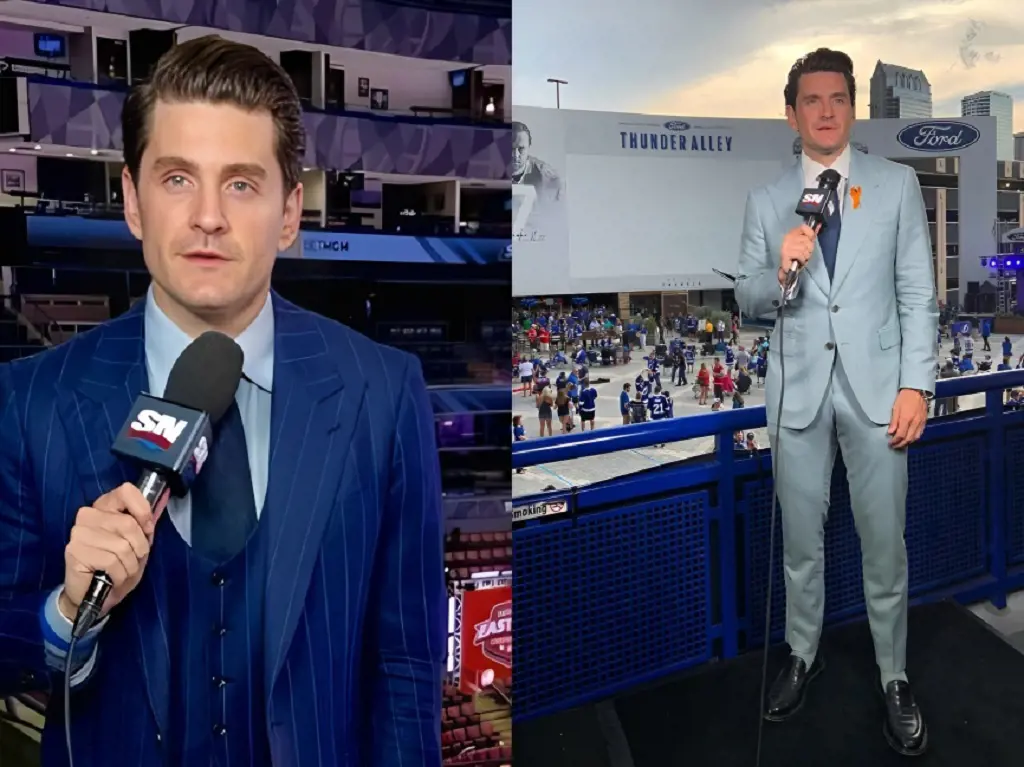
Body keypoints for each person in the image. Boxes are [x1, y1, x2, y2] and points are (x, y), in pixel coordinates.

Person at [0, 36, 444, 767]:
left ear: (291, 210)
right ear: (133, 202)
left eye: (241, 183)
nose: (208, 216)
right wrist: (65, 613)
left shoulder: (383, 393)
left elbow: (406, 667)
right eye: (178, 179)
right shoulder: (31, 399)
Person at [734, 48, 936, 757]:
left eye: (839, 98)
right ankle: (801, 650)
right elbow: (750, 304)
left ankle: (894, 675)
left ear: (855, 107)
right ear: (791, 113)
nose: (826, 111)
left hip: (882, 394)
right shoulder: (766, 201)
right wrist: (781, 265)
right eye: (812, 100)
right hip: (797, 397)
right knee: (800, 546)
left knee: (885, 544)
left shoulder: (897, 185)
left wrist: (918, 383)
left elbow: (918, 291)